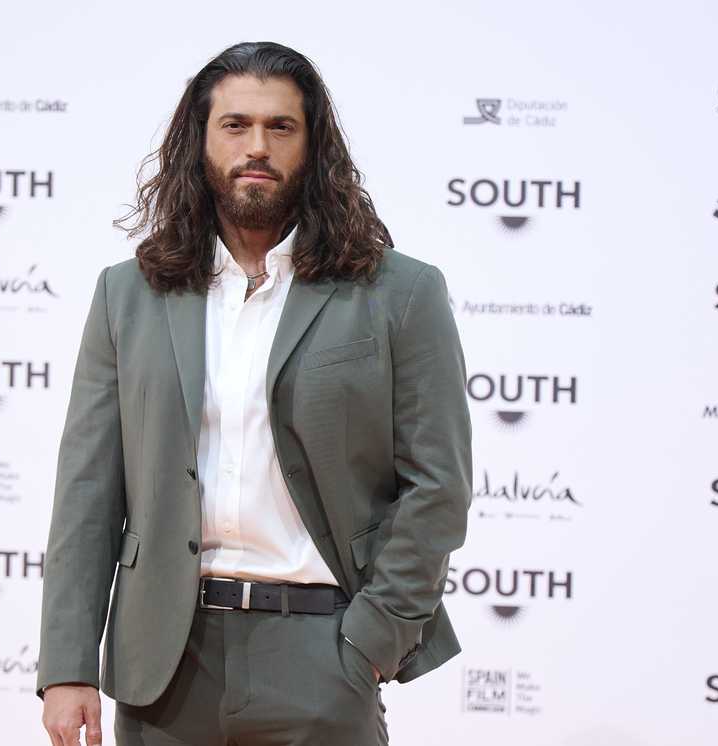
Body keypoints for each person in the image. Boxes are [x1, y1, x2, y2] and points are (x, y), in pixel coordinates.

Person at [37, 40, 472, 746]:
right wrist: (66, 666)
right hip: (166, 663)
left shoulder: (400, 293)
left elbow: (438, 485)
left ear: (314, 145)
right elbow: (88, 490)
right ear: (199, 142)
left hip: (322, 653)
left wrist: (371, 642)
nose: (257, 147)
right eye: (235, 125)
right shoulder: (129, 295)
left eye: (281, 127)